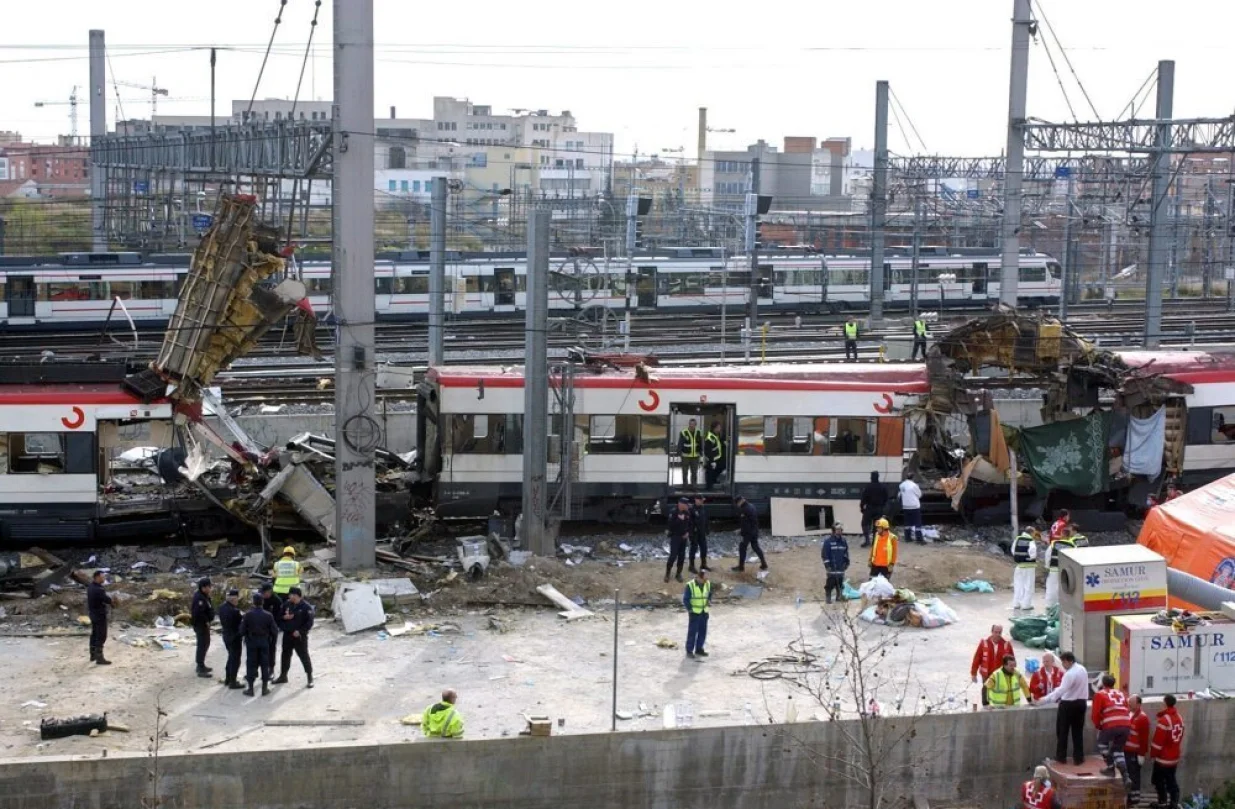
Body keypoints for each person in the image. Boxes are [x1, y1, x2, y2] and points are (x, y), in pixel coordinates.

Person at [1036, 650, 1089, 766]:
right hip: (1081, 704)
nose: (1062, 665)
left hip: (1068, 705)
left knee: (1062, 732)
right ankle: (1078, 757)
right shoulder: (1082, 669)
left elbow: (1061, 691)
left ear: (1067, 661)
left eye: (1063, 662)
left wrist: (1044, 699)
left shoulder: (1069, 674)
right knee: (1078, 732)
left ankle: (1061, 757)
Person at [1092, 673, 1133, 784]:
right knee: (1118, 751)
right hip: (1126, 725)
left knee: (1102, 744)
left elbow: (1095, 714)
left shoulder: (1100, 694)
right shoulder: (1121, 694)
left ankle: (1110, 767)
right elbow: (1127, 709)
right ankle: (1126, 776)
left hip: (1110, 725)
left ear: (1103, 683)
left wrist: (1100, 726)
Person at [273, 587, 314, 688]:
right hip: (287, 635)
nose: (289, 596)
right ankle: (283, 676)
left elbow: (310, 622)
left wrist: (300, 631)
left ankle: (310, 677)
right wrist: (284, 617)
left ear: (296, 595)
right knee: (285, 655)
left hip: (300, 637)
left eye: (291, 595)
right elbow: (278, 617)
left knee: (304, 656)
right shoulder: (286, 604)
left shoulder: (306, 607)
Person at [239, 593, 278, 696]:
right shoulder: (268, 615)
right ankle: (264, 688)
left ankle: (251, 689)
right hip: (264, 641)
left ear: (253, 602)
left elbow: (242, 631)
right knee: (265, 664)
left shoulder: (248, 615)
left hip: (251, 641)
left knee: (251, 664)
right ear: (262, 602)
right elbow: (274, 631)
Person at [1150, 694, 1184, 809]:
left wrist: (1153, 754)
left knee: (1158, 780)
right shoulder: (1179, 717)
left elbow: (1157, 742)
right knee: (1171, 780)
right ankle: (1174, 803)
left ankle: (1162, 803)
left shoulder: (1164, 720)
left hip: (1163, 758)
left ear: (1165, 703)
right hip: (1174, 757)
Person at [970, 624, 1015, 707]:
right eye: (996, 632)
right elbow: (977, 658)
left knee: (1000, 691)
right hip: (987, 674)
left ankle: (998, 705)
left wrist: (1012, 673)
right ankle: (985, 706)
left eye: (999, 632)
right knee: (986, 689)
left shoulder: (1006, 644)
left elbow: (1012, 660)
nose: (997, 634)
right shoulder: (984, 643)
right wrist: (973, 673)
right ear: (992, 632)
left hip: (1001, 675)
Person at [732, 495, 768, 573]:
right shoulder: (751, 506)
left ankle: (741, 567)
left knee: (742, 547)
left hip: (748, 532)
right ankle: (764, 564)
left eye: (737, 503)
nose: (737, 505)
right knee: (755, 547)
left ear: (741, 501)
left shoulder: (744, 509)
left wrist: (741, 532)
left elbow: (745, 524)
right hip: (755, 530)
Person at [1127, 694, 1151, 806]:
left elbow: (1144, 738)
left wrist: (1141, 755)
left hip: (1134, 753)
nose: (1129, 705)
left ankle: (1134, 799)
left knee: (1134, 776)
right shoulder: (1131, 714)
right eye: (1129, 703)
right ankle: (1129, 798)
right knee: (1128, 775)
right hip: (1127, 752)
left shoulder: (1142, 718)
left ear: (1138, 704)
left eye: (1131, 703)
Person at [217, 589, 244, 690]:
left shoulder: (222, 607)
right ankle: (233, 682)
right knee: (235, 660)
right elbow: (240, 624)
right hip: (235, 637)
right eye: (237, 599)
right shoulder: (235, 611)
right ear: (234, 599)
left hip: (226, 636)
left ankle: (228, 679)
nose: (238, 601)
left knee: (231, 657)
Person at [683, 568, 712, 659]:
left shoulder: (707, 583)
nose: (705, 581)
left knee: (702, 631)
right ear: (698, 578)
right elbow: (686, 599)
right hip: (695, 613)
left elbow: (709, 593)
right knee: (692, 632)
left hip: (704, 612)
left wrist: (709, 601)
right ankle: (689, 651)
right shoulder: (690, 585)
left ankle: (699, 649)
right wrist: (690, 609)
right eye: (703, 579)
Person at [86, 569, 113, 666]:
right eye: (102, 577)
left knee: (94, 634)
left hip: (93, 614)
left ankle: (92, 655)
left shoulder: (91, 586)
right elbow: (107, 600)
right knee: (101, 636)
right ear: (97, 577)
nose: (104, 578)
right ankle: (99, 658)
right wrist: (113, 601)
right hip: (99, 615)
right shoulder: (98, 589)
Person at [1044, 532, 1077, 609]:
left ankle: (1050, 605)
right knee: (1064, 588)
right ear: (1069, 536)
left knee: (1051, 587)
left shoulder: (1054, 544)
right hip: (1066, 571)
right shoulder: (1072, 545)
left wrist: (1047, 566)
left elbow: (1048, 556)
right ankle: (1063, 606)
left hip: (1054, 569)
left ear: (1062, 535)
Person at [191, 578, 215, 679]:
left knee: (205, 643)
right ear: (204, 587)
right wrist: (206, 621)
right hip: (201, 625)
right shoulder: (199, 598)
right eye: (209, 586)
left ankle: (201, 665)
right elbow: (198, 613)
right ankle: (200, 667)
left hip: (204, 625)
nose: (210, 588)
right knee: (202, 645)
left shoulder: (204, 596)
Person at [1012, 528, 1040, 611]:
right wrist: (1031, 557)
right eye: (1034, 533)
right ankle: (1026, 605)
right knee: (1028, 585)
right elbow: (1033, 552)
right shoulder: (1030, 540)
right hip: (1029, 566)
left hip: (1019, 565)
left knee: (1018, 585)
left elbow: (1013, 550)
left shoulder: (1018, 539)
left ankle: (1016, 604)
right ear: (1031, 532)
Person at [665, 497, 692, 583]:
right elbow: (670, 526)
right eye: (686, 504)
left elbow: (689, 524)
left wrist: (688, 532)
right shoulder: (673, 512)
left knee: (681, 556)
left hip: (683, 537)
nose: (688, 506)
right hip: (675, 537)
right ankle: (667, 573)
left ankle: (678, 574)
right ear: (680, 504)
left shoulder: (687, 512)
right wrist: (678, 520)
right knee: (673, 556)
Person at [822, 523, 850, 605]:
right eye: (837, 530)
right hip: (832, 567)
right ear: (833, 530)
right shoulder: (828, 541)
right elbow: (824, 554)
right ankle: (828, 597)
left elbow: (846, 553)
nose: (839, 531)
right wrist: (827, 565)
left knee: (840, 583)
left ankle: (839, 596)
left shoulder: (843, 541)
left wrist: (847, 562)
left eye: (840, 530)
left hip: (841, 567)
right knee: (830, 583)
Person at [859, 471, 889, 548]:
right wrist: (883, 507)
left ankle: (867, 540)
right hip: (879, 508)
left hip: (869, 508)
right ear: (878, 477)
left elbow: (863, 498)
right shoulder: (883, 486)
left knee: (864, 524)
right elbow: (886, 498)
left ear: (871, 477)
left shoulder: (868, 486)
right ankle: (875, 541)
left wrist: (862, 507)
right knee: (877, 526)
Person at [258, 583, 283, 671]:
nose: (263, 595)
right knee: (259, 649)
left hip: (272, 629)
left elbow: (279, 617)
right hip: (261, 629)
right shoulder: (261, 599)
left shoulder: (277, 601)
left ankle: (271, 668)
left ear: (270, 592)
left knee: (271, 649)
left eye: (264, 593)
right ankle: (256, 669)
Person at [678, 418, 704, 486]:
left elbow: (701, 443)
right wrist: (679, 453)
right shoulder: (684, 432)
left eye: (693, 424)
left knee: (694, 472)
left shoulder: (699, 432)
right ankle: (685, 486)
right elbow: (680, 443)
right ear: (689, 424)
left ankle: (694, 486)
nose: (691, 425)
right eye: (690, 424)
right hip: (685, 456)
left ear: (696, 425)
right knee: (685, 472)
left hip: (695, 456)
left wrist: (701, 452)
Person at [898, 473, 923, 544]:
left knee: (907, 523)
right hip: (914, 506)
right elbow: (919, 495)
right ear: (913, 478)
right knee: (917, 523)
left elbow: (900, 495)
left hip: (905, 506)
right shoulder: (914, 485)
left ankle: (907, 538)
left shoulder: (901, 485)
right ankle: (919, 539)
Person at [689, 493, 709, 573]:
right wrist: (690, 533)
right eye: (700, 500)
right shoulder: (691, 509)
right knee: (693, 549)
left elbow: (706, 519)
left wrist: (707, 529)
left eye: (702, 500)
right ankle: (691, 566)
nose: (702, 502)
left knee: (704, 548)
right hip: (694, 533)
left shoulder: (703, 508)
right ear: (696, 500)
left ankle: (703, 564)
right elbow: (689, 523)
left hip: (702, 532)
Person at [703, 421, 725, 490]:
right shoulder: (710, 437)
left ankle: (714, 480)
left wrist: (723, 443)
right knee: (710, 472)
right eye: (718, 428)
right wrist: (712, 461)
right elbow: (708, 450)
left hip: (717, 457)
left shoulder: (716, 435)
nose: (720, 429)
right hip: (712, 458)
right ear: (714, 428)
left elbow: (717, 443)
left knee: (722, 466)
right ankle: (709, 487)